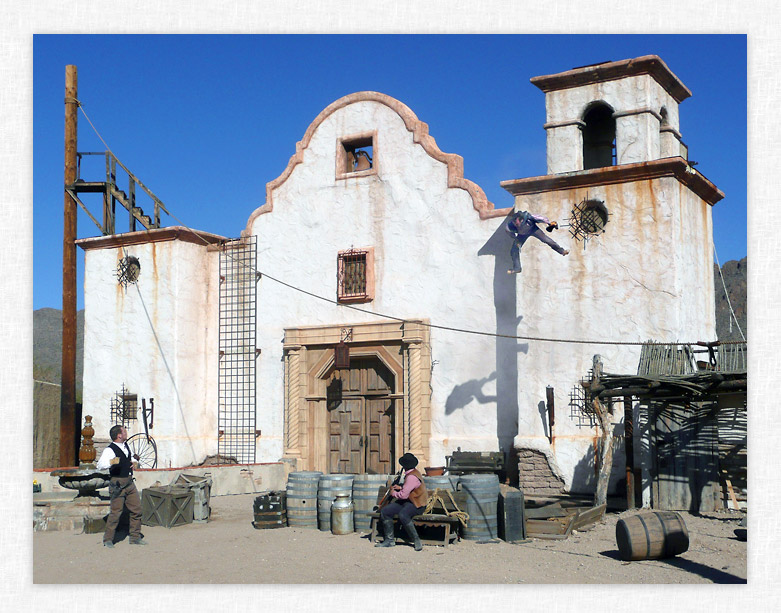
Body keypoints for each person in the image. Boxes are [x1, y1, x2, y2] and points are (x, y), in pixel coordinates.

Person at [96, 425, 147, 547]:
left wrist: (133, 463)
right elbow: (100, 465)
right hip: (117, 483)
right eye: (124, 431)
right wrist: (114, 461)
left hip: (129, 482)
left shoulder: (126, 446)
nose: (126, 433)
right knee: (116, 512)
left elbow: (129, 458)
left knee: (137, 509)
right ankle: (108, 539)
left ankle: (134, 537)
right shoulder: (110, 449)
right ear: (119, 435)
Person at [375, 453, 428, 551]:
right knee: (386, 511)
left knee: (403, 515)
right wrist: (401, 487)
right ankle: (389, 540)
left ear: (404, 465)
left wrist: (393, 493)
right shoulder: (412, 473)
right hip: (409, 502)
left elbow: (403, 495)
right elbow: (409, 489)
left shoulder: (411, 477)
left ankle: (416, 540)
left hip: (417, 504)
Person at [506, 209, 569, 274]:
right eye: (515, 223)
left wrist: (549, 223)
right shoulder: (510, 225)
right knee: (514, 250)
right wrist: (515, 238)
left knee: (547, 240)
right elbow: (508, 231)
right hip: (522, 235)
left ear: (521, 219)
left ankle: (562, 251)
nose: (516, 224)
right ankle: (517, 268)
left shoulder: (529, 218)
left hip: (534, 230)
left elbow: (541, 218)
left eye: (517, 223)